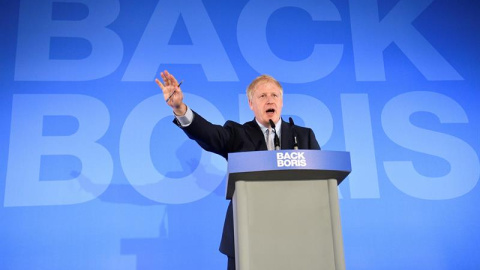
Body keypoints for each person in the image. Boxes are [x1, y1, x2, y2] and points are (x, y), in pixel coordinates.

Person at [155, 70, 320, 270]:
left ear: (282, 102)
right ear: (251, 104)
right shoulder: (237, 134)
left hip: (296, 237)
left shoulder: (303, 137)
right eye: (262, 96)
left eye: (274, 95)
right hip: (247, 235)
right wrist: (180, 108)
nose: (270, 100)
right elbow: (209, 134)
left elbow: (319, 183)